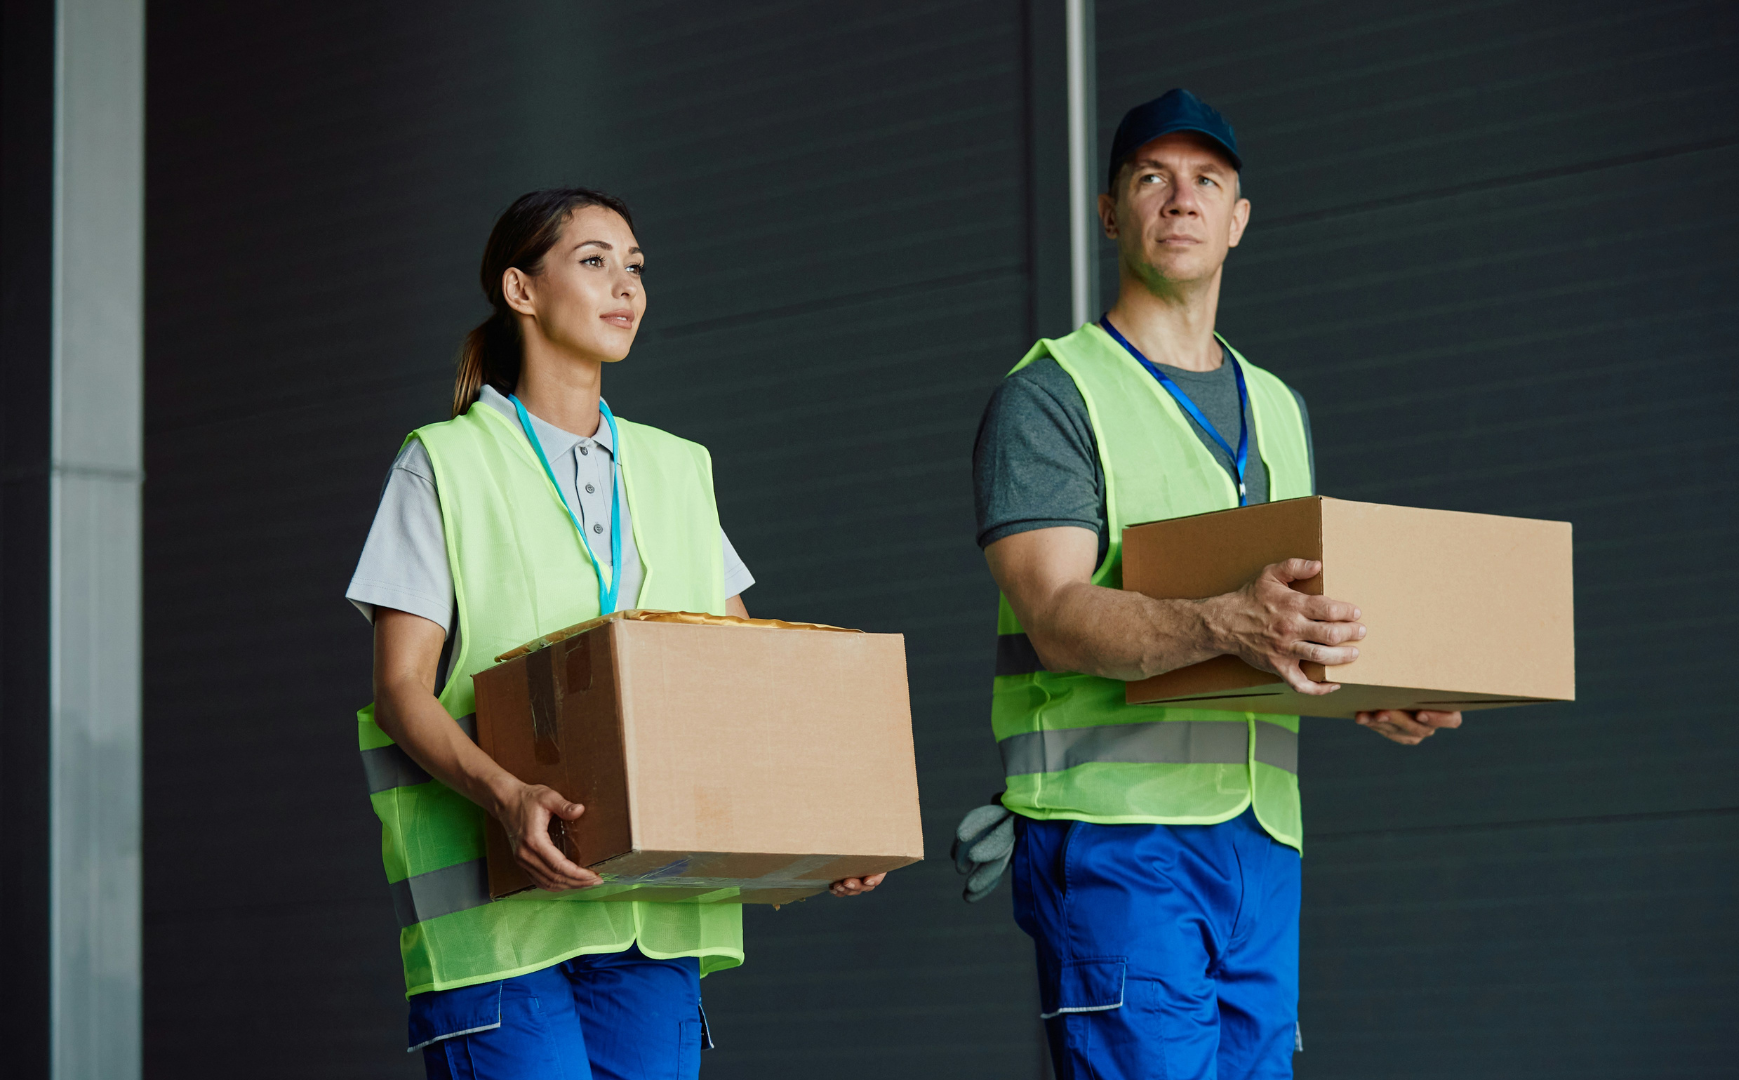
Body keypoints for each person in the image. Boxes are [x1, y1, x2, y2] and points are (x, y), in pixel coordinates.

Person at [966, 91, 1462, 1079]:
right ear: (1111, 213)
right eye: (1152, 177)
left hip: (1260, 841)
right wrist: (1229, 621)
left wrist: (1377, 681)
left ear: (1239, 218)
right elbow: (1057, 615)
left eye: (1208, 182)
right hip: (1115, 831)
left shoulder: (1278, 407)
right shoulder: (1054, 393)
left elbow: (1296, 615)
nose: (1181, 200)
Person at [346, 188, 883, 1079]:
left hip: (650, 913)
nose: (624, 284)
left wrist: (824, 829)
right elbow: (400, 687)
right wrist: (505, 794)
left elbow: (744, 673)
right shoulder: (444, 463)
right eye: (593, 262)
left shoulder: (677, 469)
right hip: (498, 921)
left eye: (634, 266)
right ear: (521, 290)